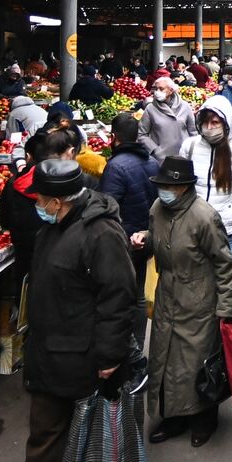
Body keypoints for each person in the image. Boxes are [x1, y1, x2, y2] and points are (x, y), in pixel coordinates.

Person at [0, 159, 138, 462]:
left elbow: (118, 297)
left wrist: (109, 354)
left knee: (62, 432)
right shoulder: (55, 227)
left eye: (39, 197)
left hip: (80, 353)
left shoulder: (100, 233)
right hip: (52, 348)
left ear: (57, 201)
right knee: (51, 432)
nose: (35, 202)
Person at [133, 156, 232, 446]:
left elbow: (225, 265)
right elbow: (158, 240)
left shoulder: (204, 217)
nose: (164, 190)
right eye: (162, 185)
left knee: (197, 365)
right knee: (165, 361)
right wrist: (144, 237)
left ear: (184, 187)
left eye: (170, 185)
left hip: (199, 304)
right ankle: (173, 419)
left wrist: (225, 310)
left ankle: (204, 421)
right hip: (167, 297)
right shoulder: (158, 209)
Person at [180, 95, 232, 260]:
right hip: (193, 228)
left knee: (225, 281)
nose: (209, 127)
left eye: (215, 122)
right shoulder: (189, 146)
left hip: (228, 229)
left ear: (226, 123)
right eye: (206, 122)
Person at [98, 112, 159, 341]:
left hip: (124, 241)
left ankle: (127, 347)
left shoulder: (115, 167)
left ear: (114, 137)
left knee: (122, 295)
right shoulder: (153, 162)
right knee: (139, 293)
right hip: (146, 238)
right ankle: (139, 341)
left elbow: (107, 207)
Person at [0, 130, 60, 289]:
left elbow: (3, 219)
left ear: (29, 156)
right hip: (57, 254)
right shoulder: (61, 180)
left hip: (25, 252)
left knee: (25, 291)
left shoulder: (14, 183)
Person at [138, 76, 197, 162]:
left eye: (161, 89)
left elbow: (193, 132)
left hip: (183, 158)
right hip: (160, 159)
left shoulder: (185, 107)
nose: (157, 92)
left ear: (171, 90)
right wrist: (155, 150)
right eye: (156, 89)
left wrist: (191, 152)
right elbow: (142, 134)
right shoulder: (150, 108)